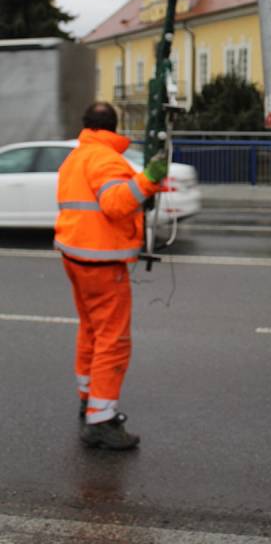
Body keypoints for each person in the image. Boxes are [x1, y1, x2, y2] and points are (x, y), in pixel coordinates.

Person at [54, 101, 167, 450]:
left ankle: (88, 399)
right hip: (102, 261)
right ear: (114, 128)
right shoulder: (105, 158)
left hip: (75, 255)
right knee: (112, 341)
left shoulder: (76, 157)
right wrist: (148, 179)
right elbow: (116, 203)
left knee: (90, 330)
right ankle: (101, 421)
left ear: (86, 124)